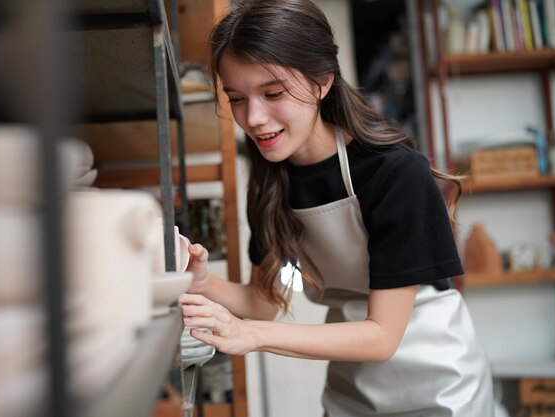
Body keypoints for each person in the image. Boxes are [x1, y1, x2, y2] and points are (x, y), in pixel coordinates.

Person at [179, 1, 494, 416]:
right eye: (237, 98)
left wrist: (249, 335)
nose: (253, 118)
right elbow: (266, 299)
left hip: (437, 386)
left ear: (322, 82)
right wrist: (200, 280)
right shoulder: (274, 180)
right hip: (352, 387)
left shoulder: (394, 174)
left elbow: (382, 336)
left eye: (273, 93)